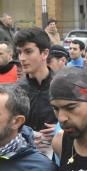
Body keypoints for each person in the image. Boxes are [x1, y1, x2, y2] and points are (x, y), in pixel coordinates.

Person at [15, 27, 58, 158]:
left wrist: (60, 129)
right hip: (25, 157)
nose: (22, 58)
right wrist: (27, 135)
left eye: (28, 52)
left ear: (44, 54)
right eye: (19, 52)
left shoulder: (62, 85)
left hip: (59, 154)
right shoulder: (17, 90)